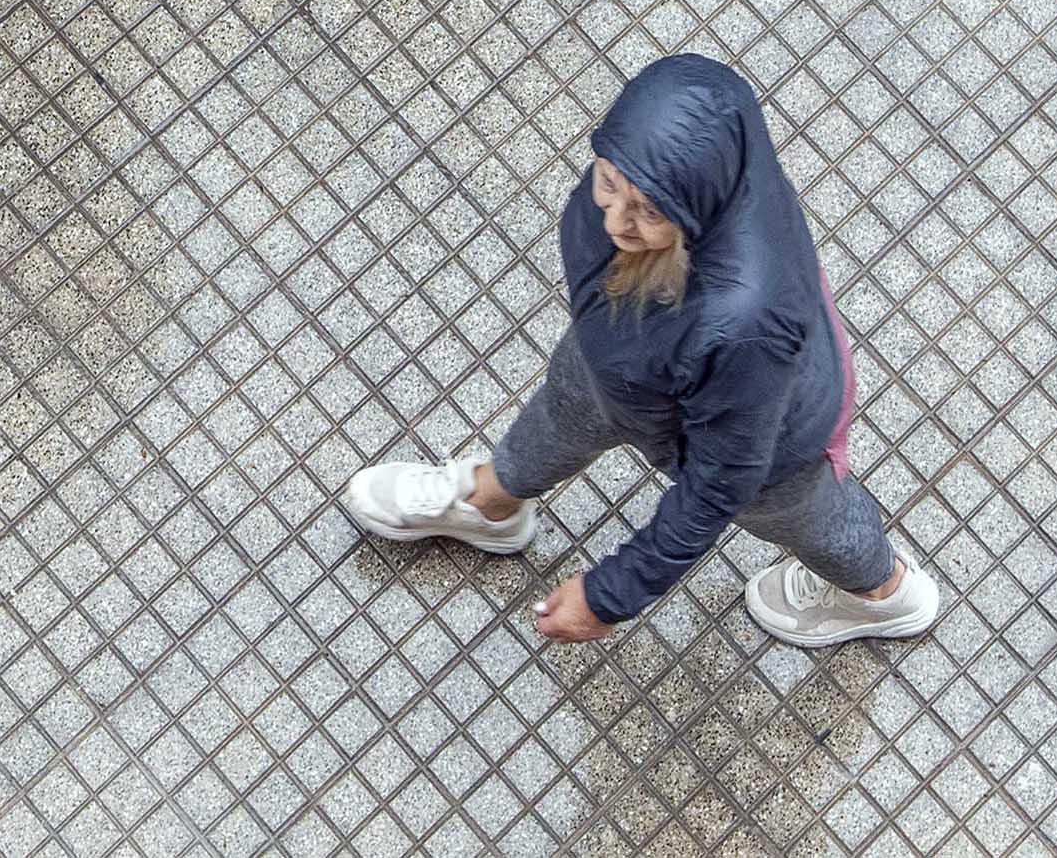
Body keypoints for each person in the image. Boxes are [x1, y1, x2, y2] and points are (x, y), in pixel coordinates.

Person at [341, 53, 941, 648]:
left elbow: (721, 480)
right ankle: (488, 503)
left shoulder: (744, 323)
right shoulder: (653, 173)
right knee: (563, 412)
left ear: (695, 207)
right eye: (608, 184)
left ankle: (886, 596)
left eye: (650, 212)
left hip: (774, 445)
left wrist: (613, 593)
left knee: (813, 523)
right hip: (625, 357)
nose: (617, 221)